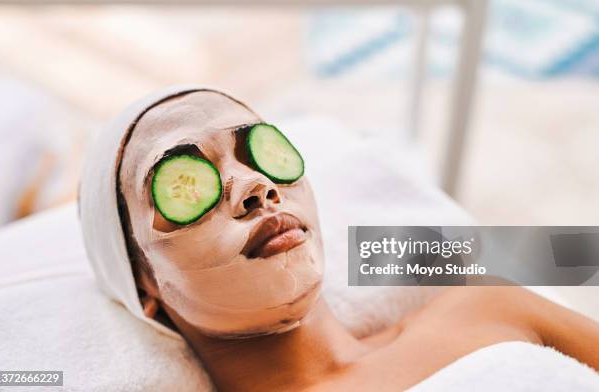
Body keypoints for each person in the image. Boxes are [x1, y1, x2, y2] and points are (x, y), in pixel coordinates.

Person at [81, 87, 599, 391]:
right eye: (184, 186)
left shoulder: (489, 306)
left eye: (261, 154)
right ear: (143, 284)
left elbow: (574, 252)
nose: (256, 188)